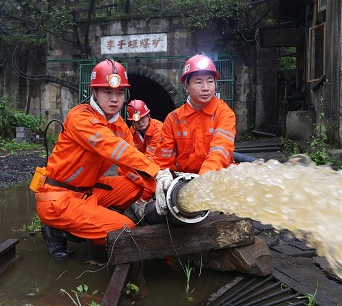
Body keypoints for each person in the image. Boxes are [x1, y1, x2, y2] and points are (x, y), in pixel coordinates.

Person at [33, 59, 173, 258]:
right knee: (125, 229)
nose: (114, 99)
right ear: (95, 93)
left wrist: (160, 187)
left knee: (137, 185)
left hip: (87, 190)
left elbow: (131, 164)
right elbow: (114, 148)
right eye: (107, 92)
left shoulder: (119, 126)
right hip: (60, 197)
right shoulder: (80, 117)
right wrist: (157, 172)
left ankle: (94, 218)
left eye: (119, 93)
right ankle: (59, 229)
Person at [139, 53, 237, 223]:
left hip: (215, 180)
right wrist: (148, 194)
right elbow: (162, 160)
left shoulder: (224, 113)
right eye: (198, 82)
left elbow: (220, 152)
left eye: (210, 81)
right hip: (181, 182)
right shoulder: (174, 118)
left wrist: (200, 183)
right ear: (186, 86)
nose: (205, 87)